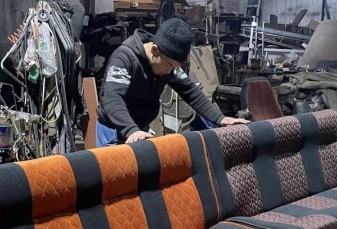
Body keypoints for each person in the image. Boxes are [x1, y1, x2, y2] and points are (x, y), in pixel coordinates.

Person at [96, 18, 247, 146]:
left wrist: (220, 118)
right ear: (154, 50)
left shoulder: (167, 61)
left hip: (139, 129)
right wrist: (131, 130)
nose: (170, 71)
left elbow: (190, 91)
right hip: (114, 129)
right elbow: (112, 99)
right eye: (168, 65)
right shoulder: (124, 58)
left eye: (174, 67)